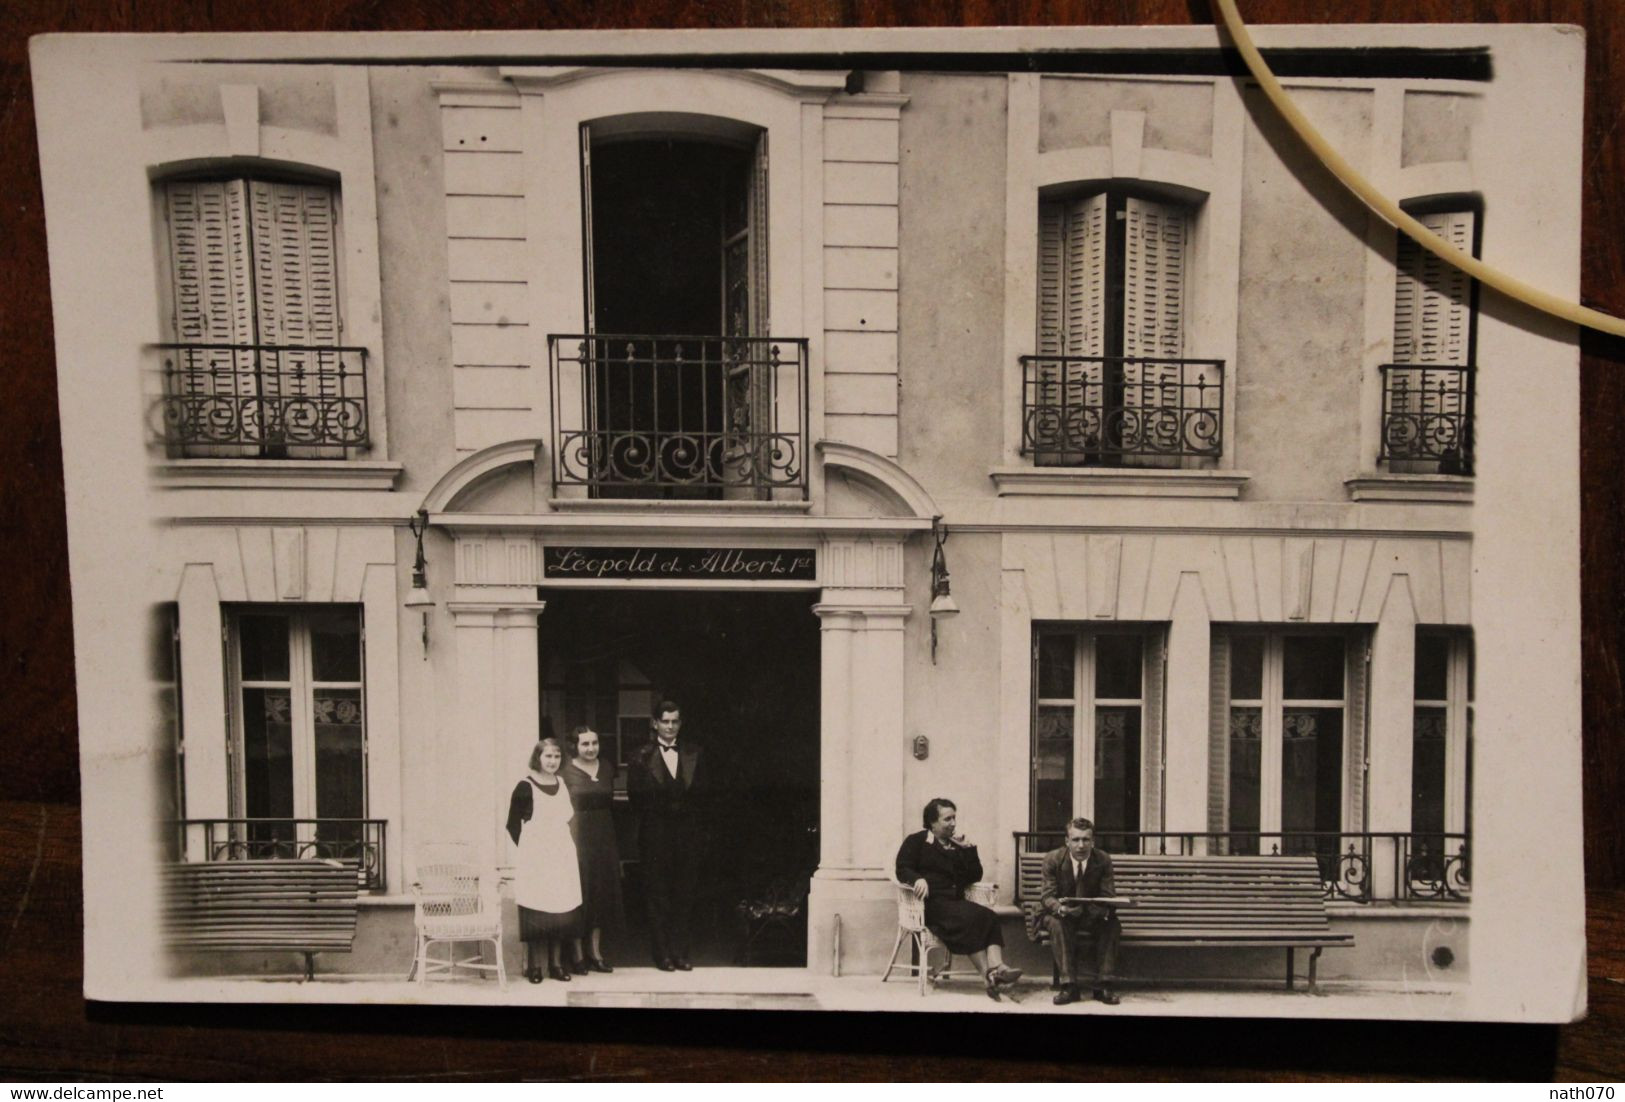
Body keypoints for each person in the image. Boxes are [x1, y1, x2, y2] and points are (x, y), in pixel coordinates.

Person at [894, 797, 1023, 1000]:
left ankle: (997, 968)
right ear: (932, 822)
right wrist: (917, 878)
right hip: (930, 905)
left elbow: (974, 876)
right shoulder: (917, 841)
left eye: (954, 818)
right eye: (947, 819)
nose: (953, 823)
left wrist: (969, 849)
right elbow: (902, 868)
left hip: (955, 904)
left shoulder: (957, 845)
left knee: (988, 915)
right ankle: (990, 975)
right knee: (971, 918)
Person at [626, 699, 706, 971]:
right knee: (657, 895)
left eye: (675, 721)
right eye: (665, 721)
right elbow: (635, 798)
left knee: (685, 894)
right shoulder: (639, 756)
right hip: (655, 835)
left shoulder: (696, 753)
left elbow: (706, 795)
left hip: (688, 835)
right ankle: (662, 954)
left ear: (680, 724)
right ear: (655, 723)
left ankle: (681, 953)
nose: (670, 726)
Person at [505, 738, 583, 983]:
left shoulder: (561, 783)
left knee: (560, 910)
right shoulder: (525, 786)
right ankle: (535, 967)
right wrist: (531, 851)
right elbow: (512, 825)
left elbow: (567, 818)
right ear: (537, 758)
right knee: (537, 911)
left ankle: (556, 965)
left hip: (561, 856)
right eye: (548, 756)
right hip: (537, 859)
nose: (553, 761)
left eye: (557, 756)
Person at [560, 724, 624, 973]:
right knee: (579, 893)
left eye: (594, 743)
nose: (590, 748)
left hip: (604, 836)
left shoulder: (607, 767)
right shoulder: (565, 770)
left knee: (600, 893)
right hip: (577, 837)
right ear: (575, 746)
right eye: (585, 744)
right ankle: (577, 955)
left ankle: (595, 952)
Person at [1039, 817, 1123, 1005]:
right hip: (1061, 914)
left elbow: (1108, 894)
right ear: (1067, 841)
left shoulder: (1102, 860)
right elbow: (1047, 896)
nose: (1081, 845)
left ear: (1093, 842)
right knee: (1057, 924)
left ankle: (1104, 985)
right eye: (1076, 839)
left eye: (1086, 840)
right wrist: (1061, 909)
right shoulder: (1053, 859)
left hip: (1091, 914)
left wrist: (1097, 911)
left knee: (1112, 924)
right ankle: (1069, 986)